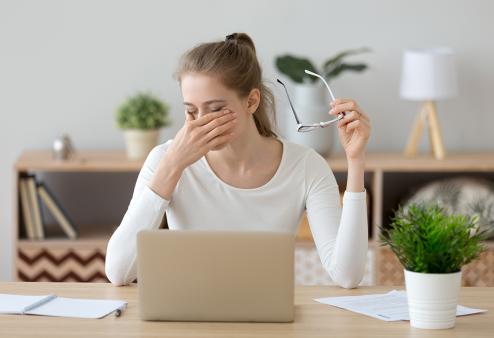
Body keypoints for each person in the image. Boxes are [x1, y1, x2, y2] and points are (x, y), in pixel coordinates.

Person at [105, 33, 371, 288]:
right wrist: (172, 166)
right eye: (191, 111)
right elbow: (119, 272)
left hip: (268, 324)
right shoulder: (165, 159)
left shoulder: (305, 166)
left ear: (251, 101)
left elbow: (347, 275)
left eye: (216, 109)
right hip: (189, 320)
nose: (202, 122)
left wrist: (355, 160)